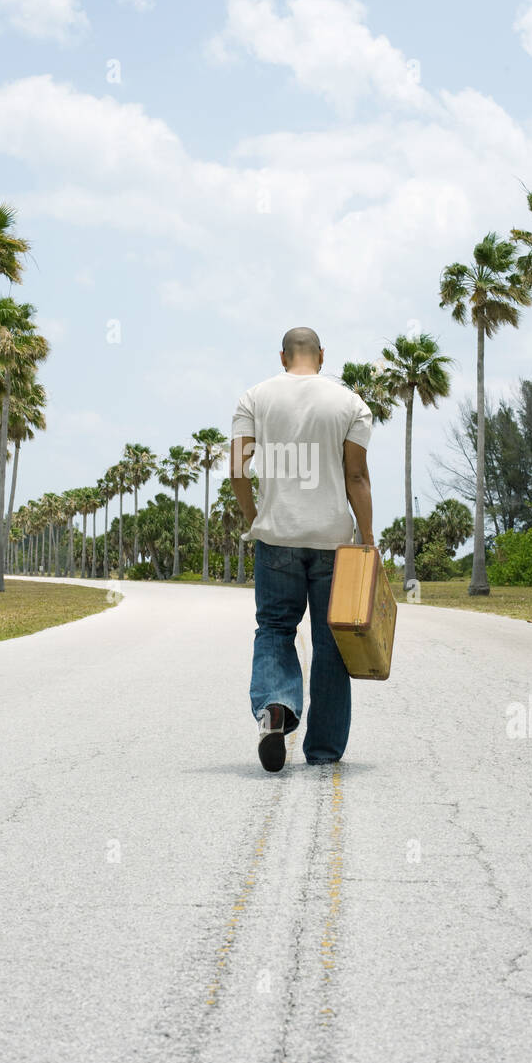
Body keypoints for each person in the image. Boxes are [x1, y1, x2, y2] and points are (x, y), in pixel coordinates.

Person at [229, 326, 374, 773]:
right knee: (331, 640)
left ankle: (275, 709)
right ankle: (325, 749)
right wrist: (367, 541)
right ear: (322, 356)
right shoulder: (351, 403)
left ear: (282, 356)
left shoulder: (254, 397)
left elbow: (238, 468)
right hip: (333, 542)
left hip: (277, 537)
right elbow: (356, 478)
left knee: (274, 628)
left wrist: (255, 517)